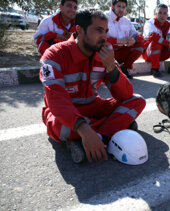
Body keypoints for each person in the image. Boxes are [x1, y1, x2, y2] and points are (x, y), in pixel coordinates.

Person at [39, 8, 146, 163]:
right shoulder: (54, 55)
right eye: (98, 30)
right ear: (79, 30)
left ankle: (99, 137)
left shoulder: (103, 54)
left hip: (93, 105)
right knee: (59, 127)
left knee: (138, 101)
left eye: (106, 31)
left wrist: (111, 66)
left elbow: (125, 94)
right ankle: (113, 127)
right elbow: (56, 102)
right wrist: (82, 127)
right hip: (65, 113)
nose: (104, 37)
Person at [105, 0, 145, 79]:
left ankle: (124, 68)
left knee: (140, 45)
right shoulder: (103, 17)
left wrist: (134, 39)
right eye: (119, 6)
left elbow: (139, 36)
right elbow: (98, 39)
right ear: (112, 6)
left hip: (121, 52)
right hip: (107, 53)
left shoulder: (126, 21)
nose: (121, 10)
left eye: (123, 7)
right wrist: (117, 41)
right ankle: (107, 71)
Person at [142, 4, 170, 78]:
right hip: (149, 55)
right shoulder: (149, 23)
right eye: (160, 13)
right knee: (156, 42)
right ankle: (155, 69)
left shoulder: (169, 24)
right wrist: (169, 44)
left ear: (167, 15)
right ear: (156, 13)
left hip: (162, 54)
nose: (162, 15)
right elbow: (153, 37)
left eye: (165, 13)